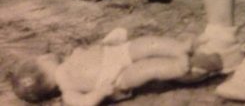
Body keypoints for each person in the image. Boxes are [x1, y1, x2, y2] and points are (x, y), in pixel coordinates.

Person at [10, 27, 220, 105]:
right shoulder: (66, 88)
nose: (48, 54)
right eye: (43, 56)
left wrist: (106, 43)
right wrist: (100, 92)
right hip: (116, 78)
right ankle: (177, 67)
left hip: (116, 53)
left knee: (146, 44)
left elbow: (94, 52)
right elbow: (83, 103)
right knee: (147, 68)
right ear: (42, 62)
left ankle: (179, 48)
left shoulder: (69, 60)